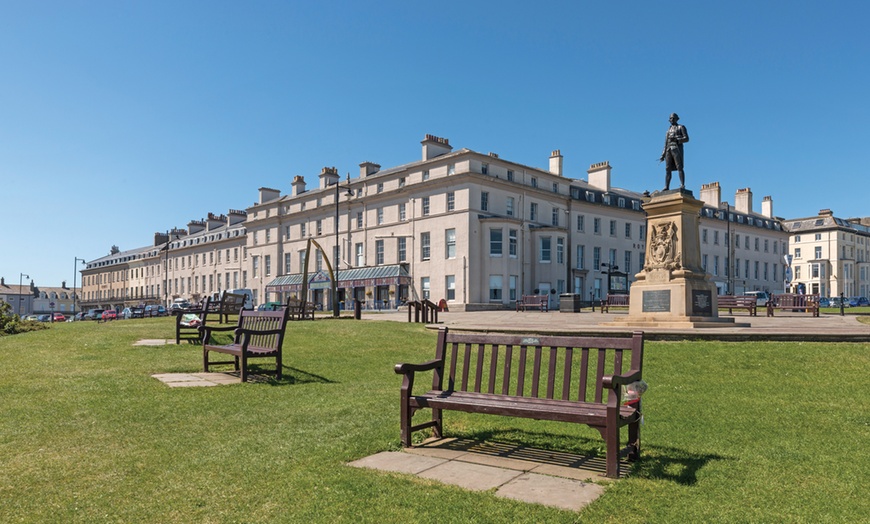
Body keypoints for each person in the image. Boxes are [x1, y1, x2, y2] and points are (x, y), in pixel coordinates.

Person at [659, 113, 689, 190]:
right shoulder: (668, 131)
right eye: (670, 118)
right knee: (667, 168)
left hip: (676, 149)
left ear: (677, 119)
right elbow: (665, 144)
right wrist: (663, 154)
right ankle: (666, 186)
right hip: (668, 149)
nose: (672, 120)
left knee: (679, 167)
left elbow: (686, 138)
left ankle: (682, 185)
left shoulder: (681, 127)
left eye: (673, 118)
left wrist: (677, 139)